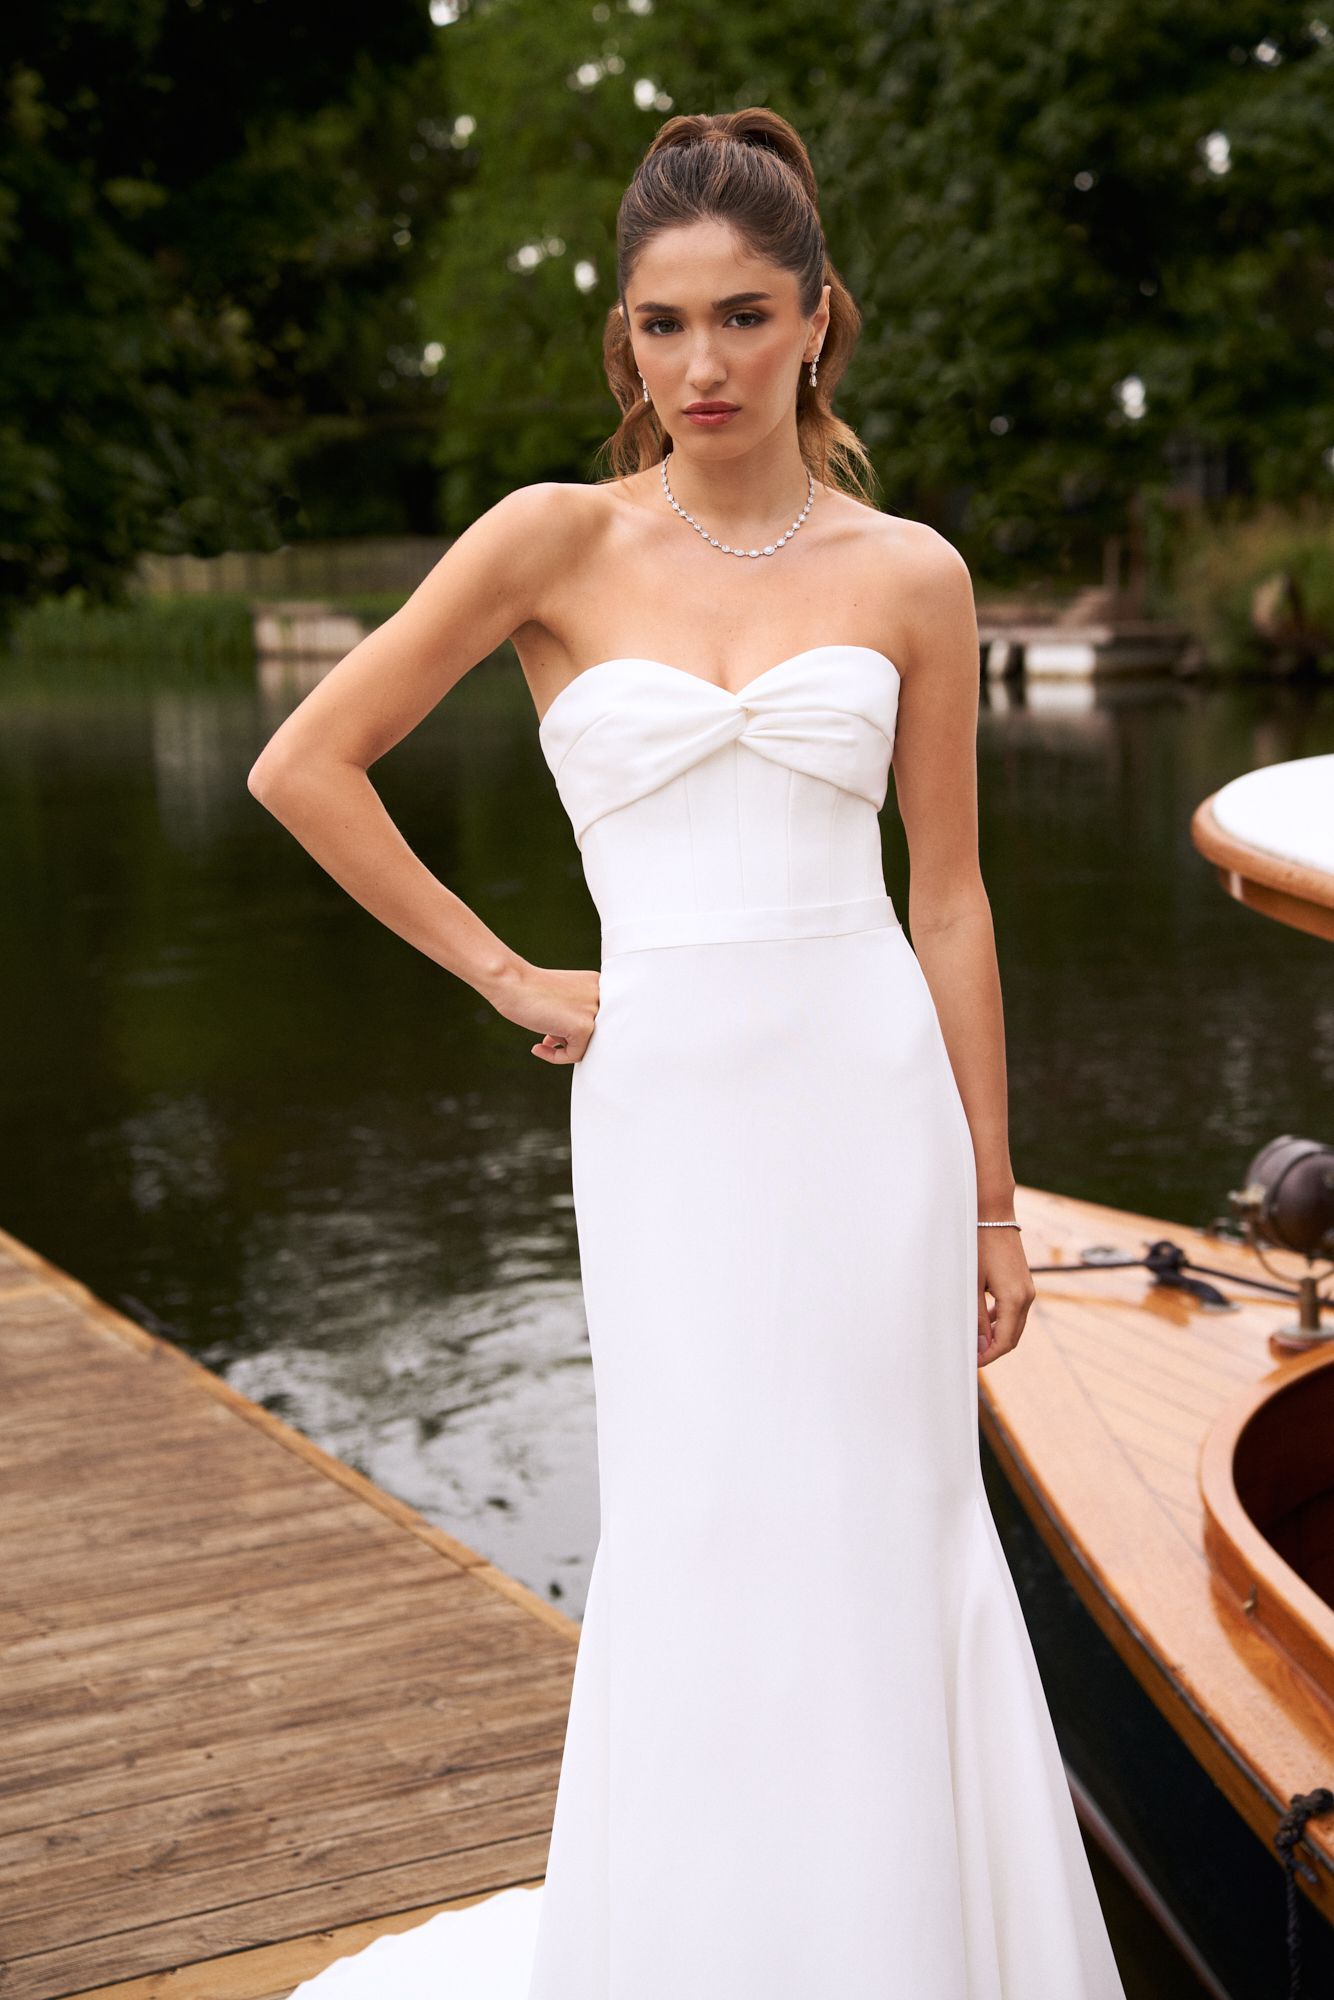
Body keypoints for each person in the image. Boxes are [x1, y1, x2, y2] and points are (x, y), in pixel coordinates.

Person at [252, 106, 1128, 2000]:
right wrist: (507, 973)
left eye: (742, 317)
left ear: (821, 320)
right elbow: (300, 766)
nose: (702, 365)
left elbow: (953, 904)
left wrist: (992, 1196)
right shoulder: (551, 541)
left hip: (867, 1094)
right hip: (663, 1110)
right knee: (704, 1520)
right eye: (662, 326)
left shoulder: (911, 575)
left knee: (887, 1522)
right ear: (623, 343)